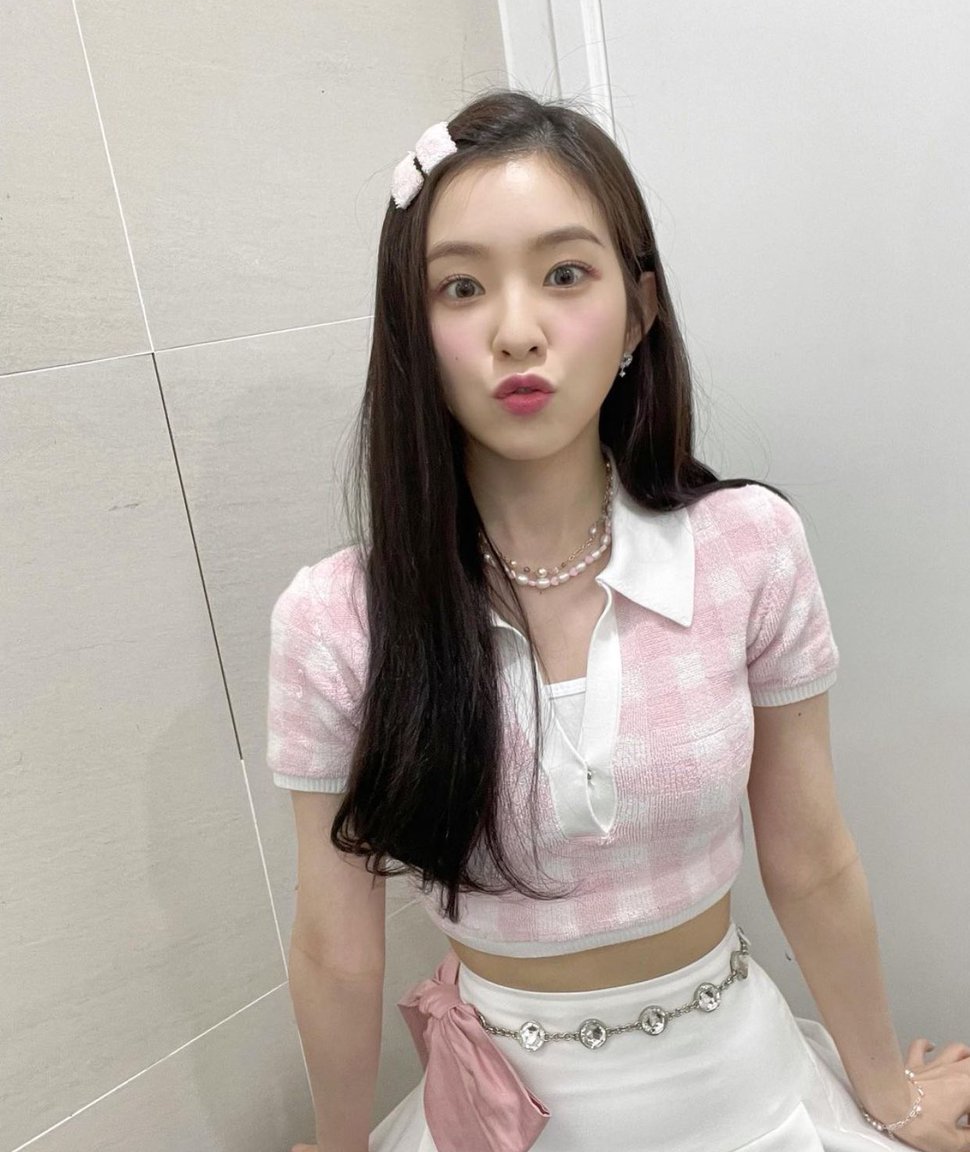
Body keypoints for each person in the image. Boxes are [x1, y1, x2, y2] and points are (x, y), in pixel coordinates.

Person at [266, 90, 970, 1152]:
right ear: (414, 329)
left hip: (748, 1098)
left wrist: (889, 1096)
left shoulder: (748, 548)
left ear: (638, 311)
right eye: (461, 286)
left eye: (564, 274)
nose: (516, 331)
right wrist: (335, 1146)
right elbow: (334, 948)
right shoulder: (338, 622)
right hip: (496, 1118)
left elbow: (811, 856)